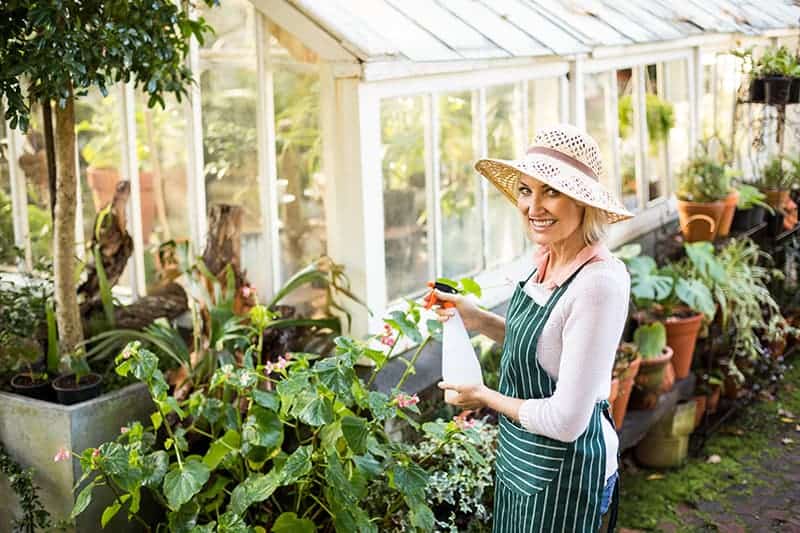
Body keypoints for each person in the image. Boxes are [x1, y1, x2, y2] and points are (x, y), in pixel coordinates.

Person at [434, 124, 634, 533]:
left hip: (567, 472)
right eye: (526, 191)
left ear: (583, 202)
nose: (533, 206)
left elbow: (565, 421)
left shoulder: (598, 283)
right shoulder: (544, 257)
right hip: (522, 460)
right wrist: (477, 319)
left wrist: (483, 396)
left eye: (551, 192)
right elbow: (547, 346)